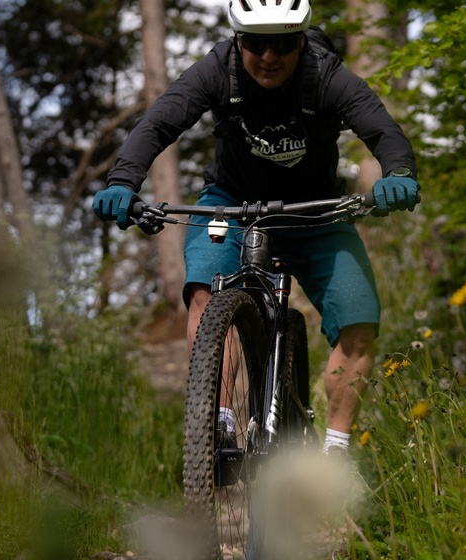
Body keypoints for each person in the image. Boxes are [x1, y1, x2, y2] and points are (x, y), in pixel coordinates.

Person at [93, 0, 418, 457]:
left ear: (301, 40)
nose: (269, 56)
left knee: (358, 318)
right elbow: (158, 123)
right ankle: (220, 422)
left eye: (282, 42)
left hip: (317, 212)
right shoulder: (216, 71)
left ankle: (336, 452)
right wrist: (123, 181)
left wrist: (398, 173)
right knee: (206, 293)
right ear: (238, 39)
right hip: (231, 205)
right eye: (256, 42)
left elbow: (382, 130)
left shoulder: (324, 73)